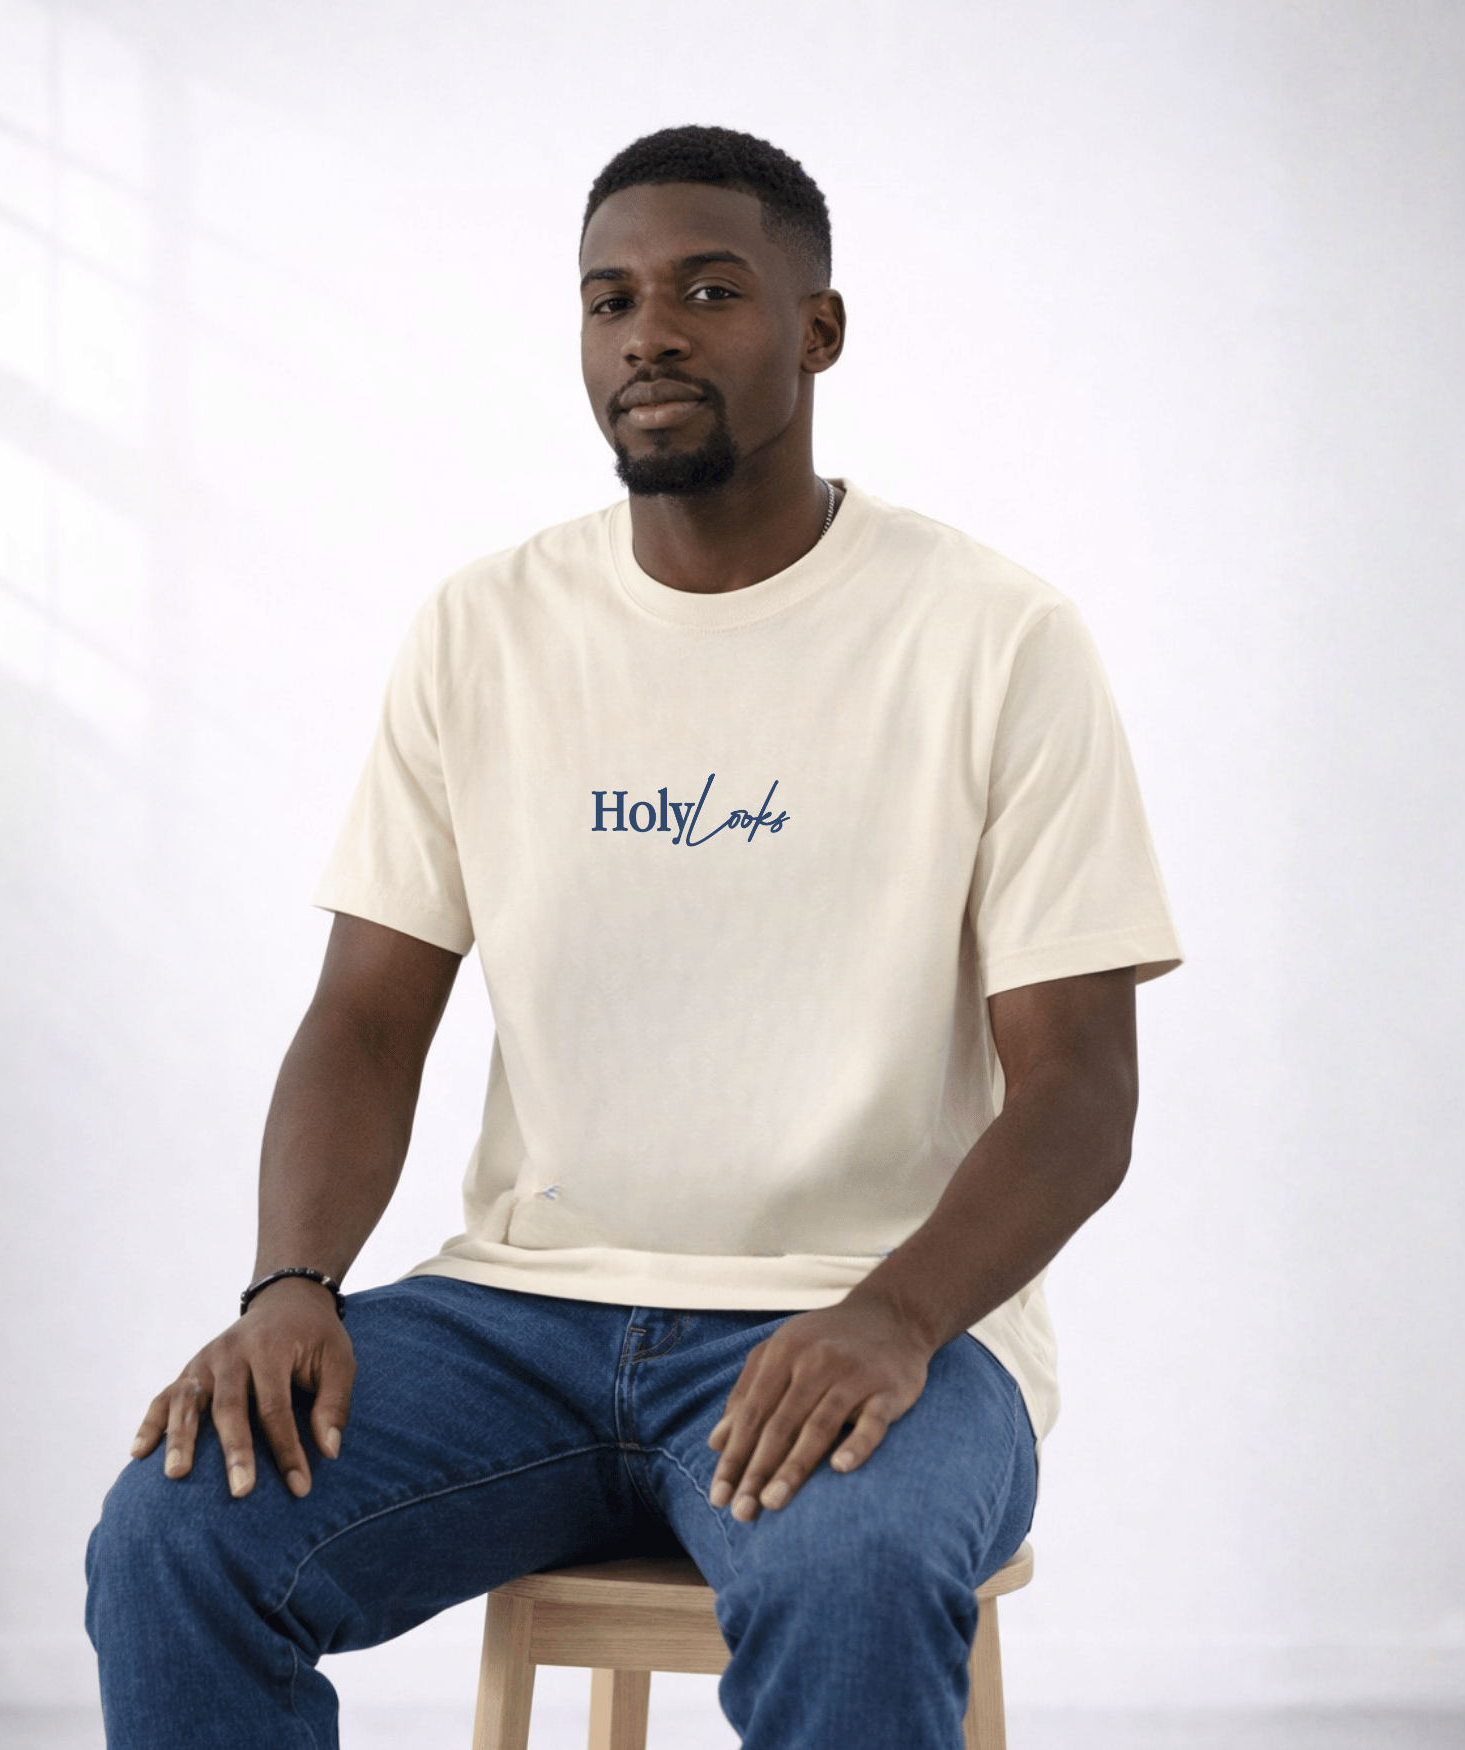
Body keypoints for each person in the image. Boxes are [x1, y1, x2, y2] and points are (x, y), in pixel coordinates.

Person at [85, 123, 1182, 1749]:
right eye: (607, 298)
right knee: (180, 1528)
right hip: (515, 1321)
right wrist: (290, 1282)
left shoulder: (992, 638)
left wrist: (892, 1316)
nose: (647, 332)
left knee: (858, 1558)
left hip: (862, 1306)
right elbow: (368, 1016)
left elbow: (1080, 1089)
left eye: (707, 289)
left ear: (817, 329)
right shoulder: (486, 627)